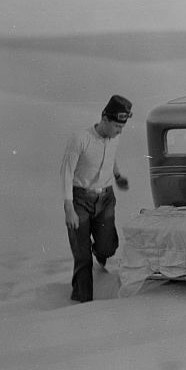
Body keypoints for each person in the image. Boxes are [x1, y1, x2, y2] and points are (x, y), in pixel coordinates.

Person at [60, 94, 133, 302]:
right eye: (117, 126)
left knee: (107, 248)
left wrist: (118, 176)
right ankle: (83, 305)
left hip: (106, 198)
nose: (120, 131)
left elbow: (111, 156)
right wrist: (68, 207)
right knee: (82, 258)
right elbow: (66, 172)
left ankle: (98, 251)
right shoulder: (80, 139)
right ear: (105, 119)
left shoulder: (115, 137)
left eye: (122, 127)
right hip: (79, 200)